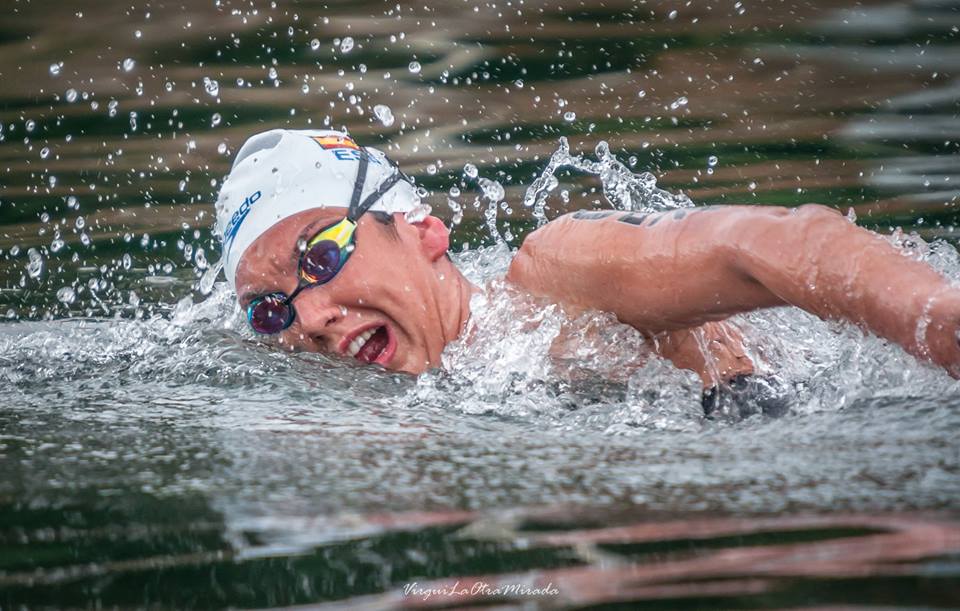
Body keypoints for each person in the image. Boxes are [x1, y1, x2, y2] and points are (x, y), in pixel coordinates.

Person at [215, 128, 960, 404]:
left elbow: (774, 243)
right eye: (268, 309)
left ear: (424, 230)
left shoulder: (554, 280)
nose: (309, 318)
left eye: (320, 254)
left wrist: (936, 322)